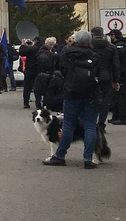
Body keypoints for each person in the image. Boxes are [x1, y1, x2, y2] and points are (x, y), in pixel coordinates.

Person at [43, 30, 101, 169]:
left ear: (77, 40)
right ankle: (88, 159)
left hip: (72, 93)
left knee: (68, 125)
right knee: (90, 126)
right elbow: (99, 73)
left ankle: (60, 156)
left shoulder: (67, 53)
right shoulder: (95, 55)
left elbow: (62, 71)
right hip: (91, 94)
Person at [108, 28, 126, 125]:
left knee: (121, 96)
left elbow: (117, 60)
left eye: (111, 35)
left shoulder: (120, 46)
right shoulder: (121, 45)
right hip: (121, 73)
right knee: (117, 96)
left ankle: (123, 118)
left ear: (114, 36)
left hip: (122, 74)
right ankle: (116, 116)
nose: (110, 37)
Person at [19, 37, 41, 108]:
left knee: (27, 87)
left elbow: (22, 53)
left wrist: (23, 44)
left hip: (29, 69)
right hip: (38, 70)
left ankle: (26, 103)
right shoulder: (41, 49)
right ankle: (38, 103)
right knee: (37, 87)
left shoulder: (32, 49)